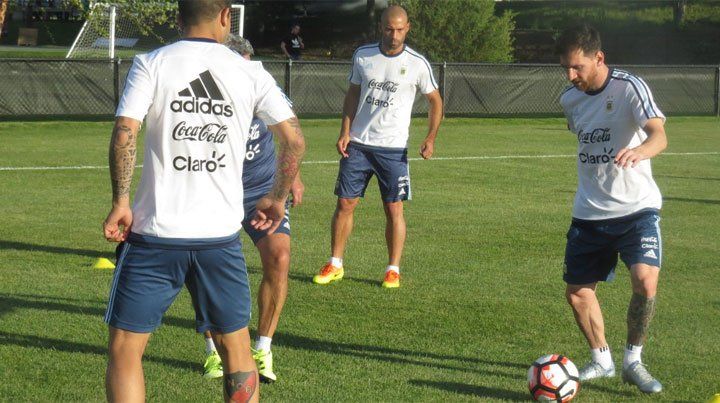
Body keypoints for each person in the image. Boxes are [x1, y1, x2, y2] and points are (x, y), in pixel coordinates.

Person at [101, 1, 305, 401]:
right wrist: (278, 196)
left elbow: (125, 131)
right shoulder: (250, 72)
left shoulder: (151, 63)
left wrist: (120, 200)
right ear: (227, 16)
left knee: (126, 350)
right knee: (237, 350)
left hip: (155, 235)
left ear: (179, 19)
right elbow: (295, 140)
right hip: (219, 238)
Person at [556, 23, 667, 394]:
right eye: (566, 68)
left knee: (645, 280)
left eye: (578, 67)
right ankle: (601, 360)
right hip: (589, 212)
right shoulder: (570, 99)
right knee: (577, 293)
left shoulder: (629, 87)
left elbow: (659, 135)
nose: (571, 76)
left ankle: (633, 361)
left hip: (637, 210)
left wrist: (639, 151)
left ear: (599, 58)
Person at [313, 5, 443, 288]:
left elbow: (435, 100)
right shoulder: (363, 55)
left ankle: (393, 269)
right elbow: (353, 94)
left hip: (393, 149)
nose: (394, 35)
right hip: (358, 144)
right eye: (388, 29)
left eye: (399, 30)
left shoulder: (417, 63)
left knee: (393, 209)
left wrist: (430, 137)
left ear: (407, 28)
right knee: (345, 203)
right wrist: (345, 131)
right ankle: (335, 263)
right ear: (380, 27)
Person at [201, 34, 304, 384]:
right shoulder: (205, 91)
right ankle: (213, 351)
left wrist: (293, 178)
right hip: (215, 188)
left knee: (280, 256)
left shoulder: (262, 82)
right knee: (207, 268)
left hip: (261, 190)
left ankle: (262, 348)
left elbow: (290, 131)